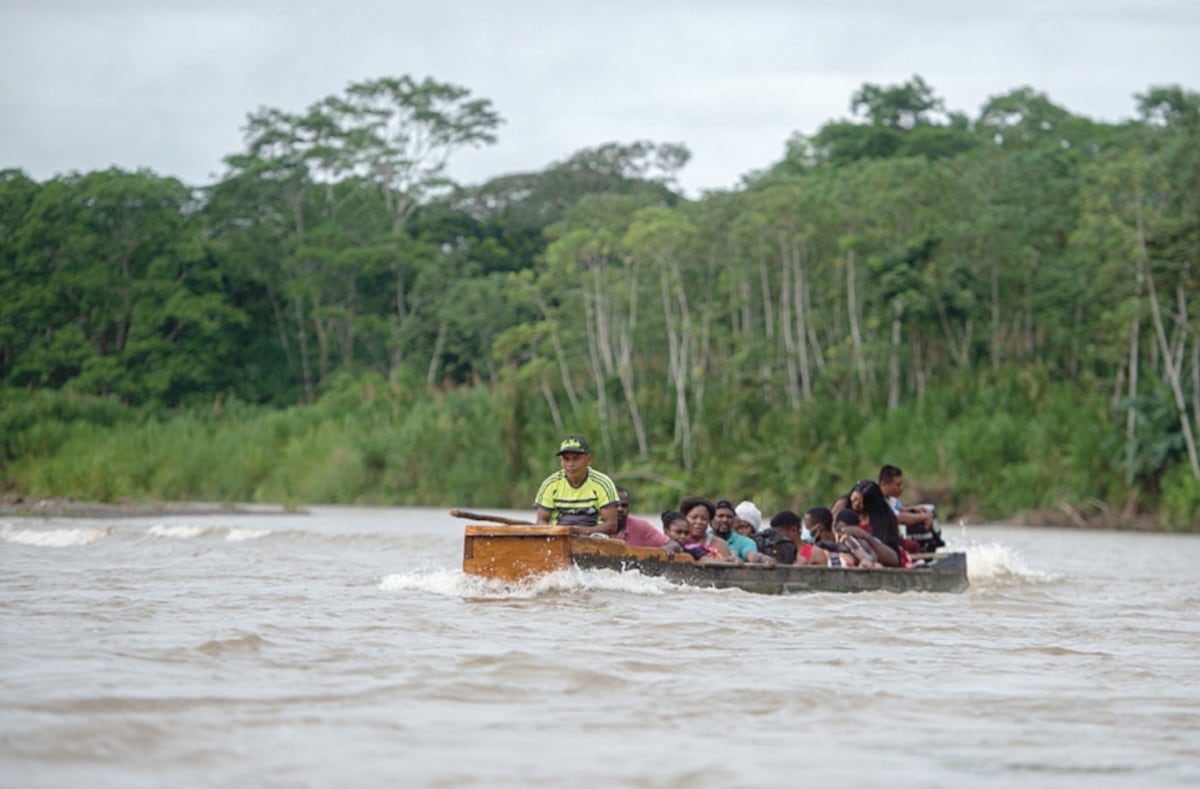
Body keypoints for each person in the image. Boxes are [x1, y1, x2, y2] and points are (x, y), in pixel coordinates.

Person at [534, 435, 619, 536]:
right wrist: (557, 533)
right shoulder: (550, 484)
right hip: (559, 539)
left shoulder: (603, 483)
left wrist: (581, 532)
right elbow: (541, 521)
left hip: (594, 538)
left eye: (576, 459)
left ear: (588, 460)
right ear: (560, 461)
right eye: (566, 459)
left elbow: (612, 525)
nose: (570, 464)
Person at [878, 464, 944, 552]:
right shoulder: (875, 497)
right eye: (898, 485)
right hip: (878, 541)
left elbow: (900, 509)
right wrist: (924, 517)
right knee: (913, 546)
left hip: (888, 540)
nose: (901, 489)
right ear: (883, 484)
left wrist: (913, 509)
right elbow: (898, 517)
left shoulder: (891, 498)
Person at [616, 486, 681, 554]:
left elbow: (673, 545)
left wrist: (663, 551)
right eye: (616, 505)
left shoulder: (640, 527)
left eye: (624, 506)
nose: (620, 509)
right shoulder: (603, 527)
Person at [806, 507, 878, 568]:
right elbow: (800, 560)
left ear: (819, 527)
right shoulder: (809, 545)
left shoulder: (845, 540)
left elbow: (865, 557)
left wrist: (863, 564)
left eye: (808, 526)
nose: (805, 530)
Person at [712, 499, 775, 565]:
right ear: (711, 518)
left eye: (729, 517)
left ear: (734, 520)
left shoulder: (744, 542)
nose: (725, 520)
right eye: (720, 516)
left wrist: (762, 558)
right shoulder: (704, 537)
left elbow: (750, 554)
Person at [679, 496, 741, 563]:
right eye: (694, 517)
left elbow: (729, 569)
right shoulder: (677, 540)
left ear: (709, 521)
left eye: (704, 519)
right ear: (684, 518)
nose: (699, 522)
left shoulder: (719, 544)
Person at [754, 510, 825, 565]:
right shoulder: (779, 552)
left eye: (778, 533)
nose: (776, 537)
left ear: (793, 530)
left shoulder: (808, 550)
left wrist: (800, 564)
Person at [662, 509, 729, 564]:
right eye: (678, 532)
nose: (683, 536)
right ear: (666, 531)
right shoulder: (656, 545)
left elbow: (707, 560)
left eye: (686, 533)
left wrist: (728, 560)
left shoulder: (692, 550)